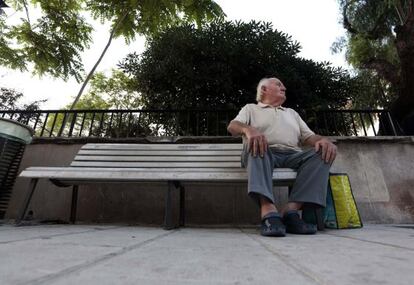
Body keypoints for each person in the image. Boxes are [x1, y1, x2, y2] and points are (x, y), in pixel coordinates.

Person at [227, 77, 337, 237]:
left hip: (293, 155)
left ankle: (291, 211)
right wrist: (248, 130)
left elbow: (309, 137)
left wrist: (322, 140)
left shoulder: (292, 113)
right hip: (264, 153)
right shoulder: (250, 109)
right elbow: (232, 126)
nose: (284, 87)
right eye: (278, 84)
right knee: (256, 145)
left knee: (323, 153)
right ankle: (268, 211)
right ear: (264, 89)